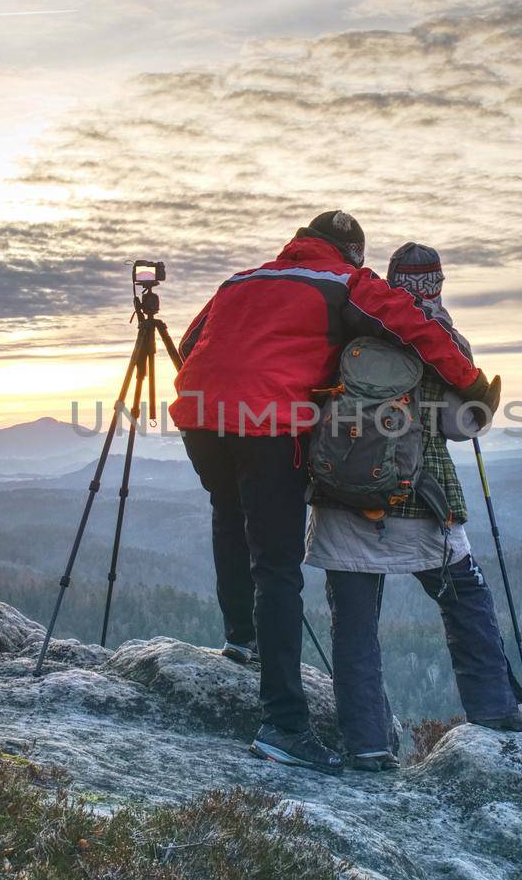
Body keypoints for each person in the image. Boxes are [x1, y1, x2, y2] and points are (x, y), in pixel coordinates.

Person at [170, 213, 499, 774]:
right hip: (269, 423)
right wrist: (472, 386)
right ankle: (284, 726)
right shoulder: (347, 282)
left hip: (202, 414)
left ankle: (240, 638)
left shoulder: (241, 280)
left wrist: (223, 389)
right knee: (277, 566)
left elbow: (192, 340)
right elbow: (416, 329)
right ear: (352, 253)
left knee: (229, 512)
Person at [306, 241, 522, 772]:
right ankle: (494, 711)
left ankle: (365, 745)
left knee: (355, 627)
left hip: (342, 503)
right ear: (436, 285)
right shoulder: (440, 339)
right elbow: (462, 424)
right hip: (421, 502)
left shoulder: (350, 331)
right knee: (465, 600)